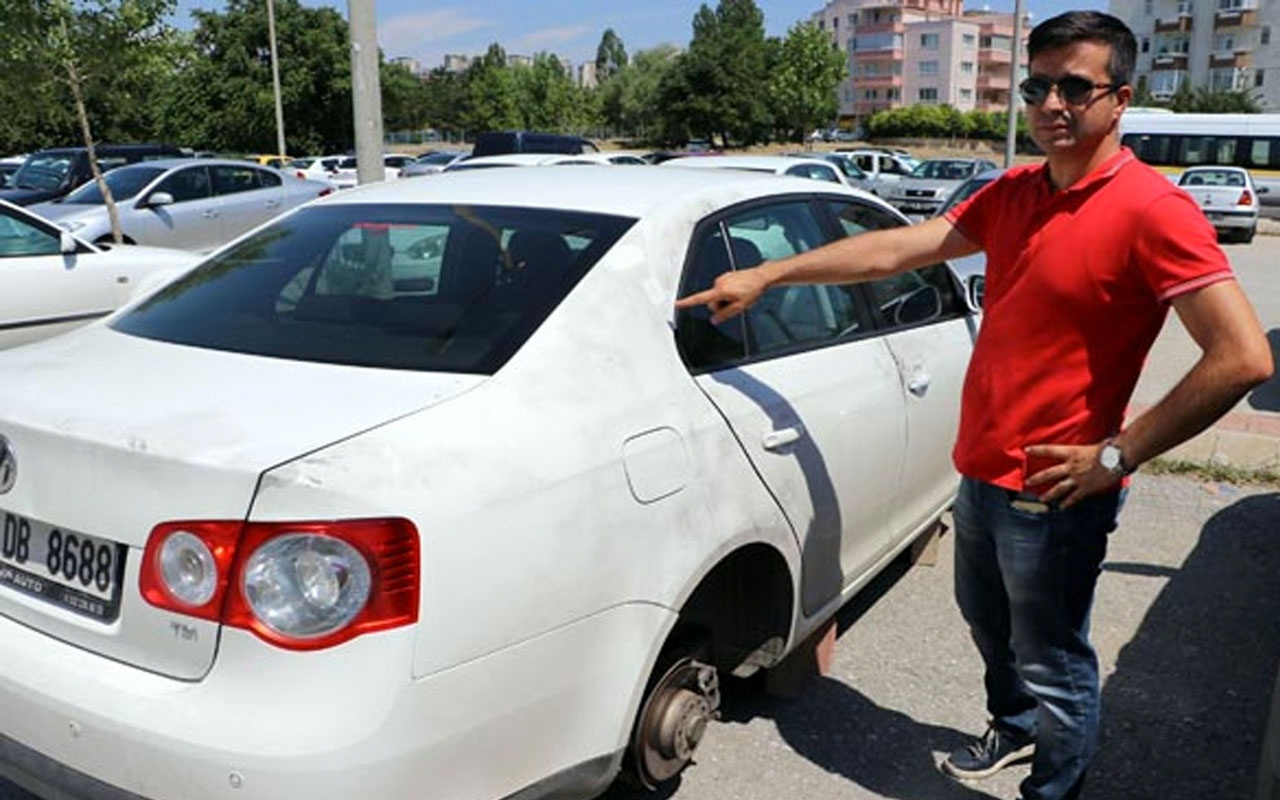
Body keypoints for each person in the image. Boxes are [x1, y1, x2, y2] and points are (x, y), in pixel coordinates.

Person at [675, 10, 1273, 800]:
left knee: (1055, 660)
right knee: (993, 631)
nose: (1053, 103)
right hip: (982, 470)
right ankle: (1015, 730)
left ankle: (1053, 787)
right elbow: (900, 247)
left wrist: (1118, 453)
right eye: (1038, 86)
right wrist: (768, 276)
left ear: (1119, 100)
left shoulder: (1152, 211)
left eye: (1075, 87)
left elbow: (1243, 357)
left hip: (1058, 491)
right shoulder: (1016, 191)